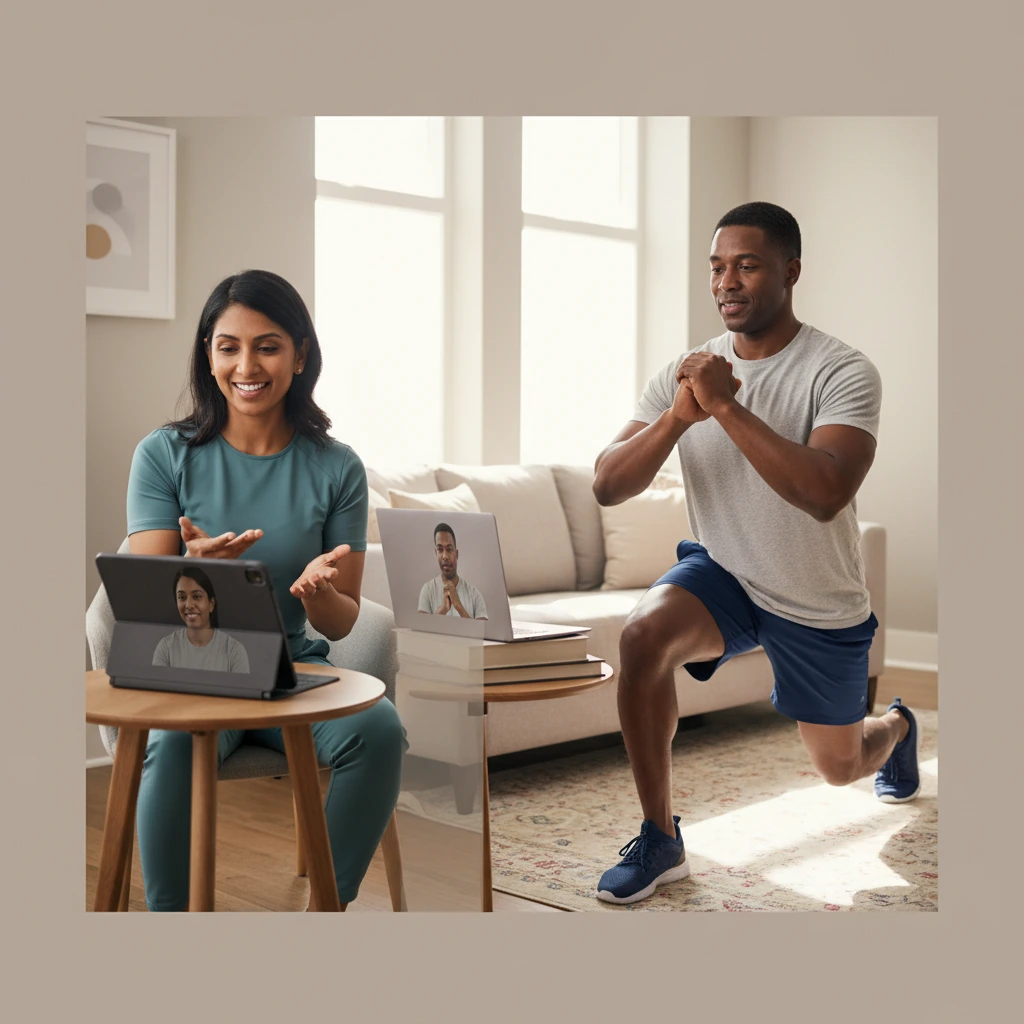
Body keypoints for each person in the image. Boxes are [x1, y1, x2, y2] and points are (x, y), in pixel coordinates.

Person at [592, 201, 920, 905]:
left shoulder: (842, 370)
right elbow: (607, 483)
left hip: (815, 597)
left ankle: (896, 726)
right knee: (644, 635)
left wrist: (727, 408)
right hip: (725, 572)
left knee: (840, 767)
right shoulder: (683, 374)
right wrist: (679, 415)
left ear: (790, 271)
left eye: (747, 264)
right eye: (717, 267)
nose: (727, 282)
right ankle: (661, 837)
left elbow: (825, 491)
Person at [126, 268, 405, 912]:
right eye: (229, 346)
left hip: (295, 669)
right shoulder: (163, 455)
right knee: (172, 741)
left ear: (300, 354)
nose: (246, 365)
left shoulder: (338, 467)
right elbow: (147, 603)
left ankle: (324, 914)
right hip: (198, 670)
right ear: (209, 354)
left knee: (381, 732)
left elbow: (340, 625)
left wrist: (315, 593)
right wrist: (190, 569)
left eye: (268, 345)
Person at [152, 567, 250, 673]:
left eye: (197, 596)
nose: (188, 605)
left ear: (211, 604)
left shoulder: (234, 651)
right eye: (182, 597)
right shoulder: (165, 648)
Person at [417, 522, 488, 619]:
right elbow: (420, 630)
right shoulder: (427, 590)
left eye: (449, 549)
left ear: (456, 554)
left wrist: (458, 605)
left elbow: (483, 632)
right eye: (440, 549)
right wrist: (442, 610)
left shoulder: (474, 594)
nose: (445, 556)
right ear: (436, 553)